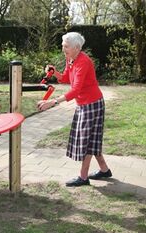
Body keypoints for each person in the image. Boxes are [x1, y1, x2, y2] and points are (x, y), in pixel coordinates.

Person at [37, 32, 112, 187]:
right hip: (84, 104)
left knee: (88, 141)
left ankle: (83, 177)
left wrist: (54, 101)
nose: (63, 48)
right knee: (92, 138)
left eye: (66, 46)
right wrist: (54, 73)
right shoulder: (71, 58)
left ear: (77, 47)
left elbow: (76, 89)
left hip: (92, 104)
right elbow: (65, 78)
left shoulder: (84, 62)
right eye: (63, 45)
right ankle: (104, 170)